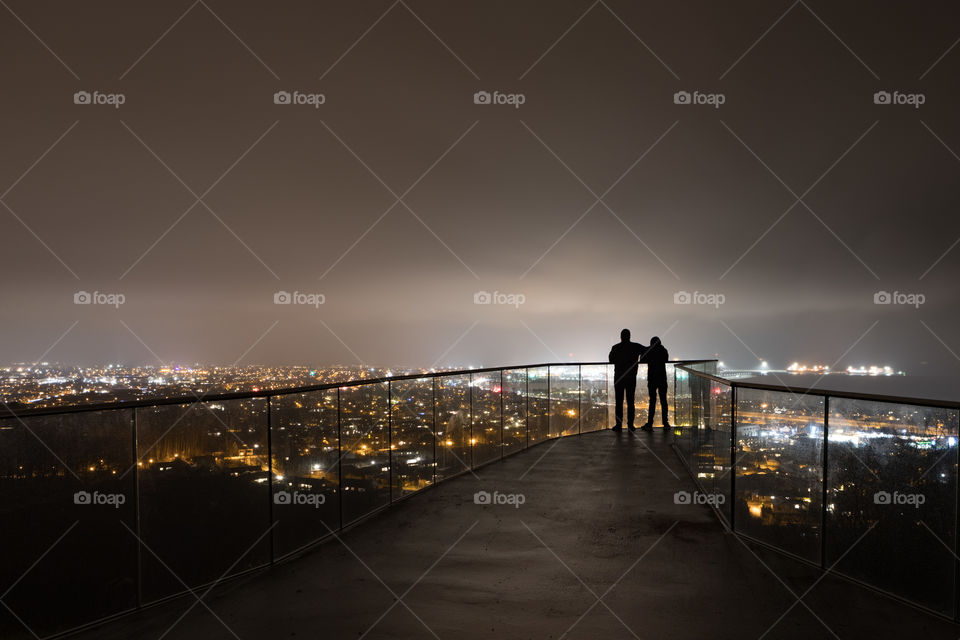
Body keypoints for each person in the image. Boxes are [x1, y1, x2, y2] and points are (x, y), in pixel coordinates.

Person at [608, 329, 645, 431]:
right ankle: (630, 425)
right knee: (631, 402)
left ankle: (619, 425)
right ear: (629, 336)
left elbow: (611, 360)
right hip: (631, 377)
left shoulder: (616, 348)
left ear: (621, 337)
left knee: (619, 402)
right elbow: (647, 350)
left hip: (619, 378)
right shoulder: (635, 347)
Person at [639, 336, 670, 431]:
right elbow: (666, 359)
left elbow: (642, 360)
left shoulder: (649, 351)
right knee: (663, 401)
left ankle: (650, 423)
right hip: (662, 378)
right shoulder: (663, 350)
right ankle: (665, 423)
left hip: (652, 378)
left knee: (652, 401)